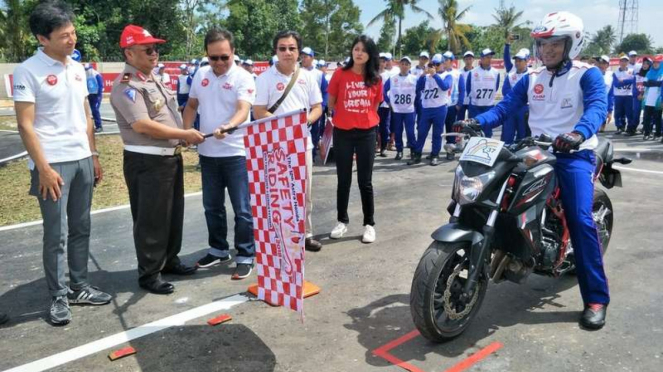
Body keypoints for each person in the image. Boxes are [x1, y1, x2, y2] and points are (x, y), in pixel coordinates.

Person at [456, 11, 610, 330]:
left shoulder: (587, 75)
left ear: (572, 44)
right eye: (542, 44)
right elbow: (504, 108)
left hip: (574, 154)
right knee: (488, 188)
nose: (547, 50)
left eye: (555, 43)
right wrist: (476, 122)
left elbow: (597, 107)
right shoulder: (531, 78)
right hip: (535, 149)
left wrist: (579, 133)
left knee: (581, 220)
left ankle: (596, 297)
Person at [13, 1, 111, 326]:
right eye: (64, 35)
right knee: (57, 234)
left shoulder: (77, 68)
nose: (72, 39)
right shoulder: (28, 71)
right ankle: (58, 297)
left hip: (82, 158)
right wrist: (42, 167)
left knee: (82, 227)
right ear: (43, 38)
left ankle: (79, 286)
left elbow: (85, 114)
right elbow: (25, 125)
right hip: (52, 164)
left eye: (73, 32)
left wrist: (93, 155)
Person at [110, 24, 203, 295]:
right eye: (147, 49)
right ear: (129, 54)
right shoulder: (127, 85)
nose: (154, 54)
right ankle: (149, 274)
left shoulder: (152, 79)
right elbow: (142, 125)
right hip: (147, 162)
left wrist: (181, 137)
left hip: (168, 158)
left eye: (156, 48)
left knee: (172, 215)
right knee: (151, 219)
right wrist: (183, 133)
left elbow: (167, 116)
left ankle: (169, 260)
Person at [182, 29, 257, 278]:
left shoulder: (244, 77)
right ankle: (218, 250)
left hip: (236, 152)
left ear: (233, 53)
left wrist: (229, 126)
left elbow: (243, 109)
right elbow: (191, 105)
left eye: (224, 57)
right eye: (214, 58)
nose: (220, 63)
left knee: (243, 209)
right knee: (211, 206)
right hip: (208, 152)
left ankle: (245, 254)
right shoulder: (201, 74)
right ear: (207, 55)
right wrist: (186, 130)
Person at [254, 30, 324, 252]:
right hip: (275, 147)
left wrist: (304, 123)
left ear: (299, 52)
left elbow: (317, 108)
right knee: (277, 195)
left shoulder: (308, 77)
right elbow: (258, 111)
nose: (287, 52)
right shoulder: (264, 78)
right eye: (282, 48)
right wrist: (283, 126)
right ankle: (279, 237)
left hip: (302, 144)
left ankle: (306, 234)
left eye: (291, 48)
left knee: (304, 193)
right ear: (276, 51)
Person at [327, 35, 382, 244]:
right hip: (343, 132)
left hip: (367, 133)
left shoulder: (375, 79)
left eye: (363, 50)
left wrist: (361, 118)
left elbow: (374, 107)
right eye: (356, 48)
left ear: (370, 55)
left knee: (365, 182)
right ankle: (342, 220)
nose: (358, 53)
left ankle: (369, 224)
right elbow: (331, 102)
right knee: (344, 180)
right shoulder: (340, 74)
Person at [408, 53, 452, 166]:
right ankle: (417, 154)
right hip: (426, 108)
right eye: (433, 64)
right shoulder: (426, 77)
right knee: (421, 132)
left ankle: (435, 155)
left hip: (440, 108)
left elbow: (445, 86)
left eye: (437, 64)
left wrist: (435, 75)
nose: (435, 66)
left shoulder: (447, 75)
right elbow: (418, 88)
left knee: (437, 134)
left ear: (443, 64)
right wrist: (423, 75)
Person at [384, 56, 418, 160]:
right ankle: (399, 150)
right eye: (402, 64)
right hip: (397, 110)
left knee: (410, 131)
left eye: (406, 64)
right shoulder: (393, 78)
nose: (404, 66)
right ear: (399, 65)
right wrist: (388, 102)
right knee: (398, 131)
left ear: (409, 66)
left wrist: (416, 104)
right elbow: (383, 90)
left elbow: (420, 92)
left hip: (409, 110)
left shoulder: (414, 79)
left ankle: (412, 150)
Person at [301, 47, 329, 163]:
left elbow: (325, 91)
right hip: (301, 109)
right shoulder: (297, 72)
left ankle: (311, 157)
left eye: (306, 56)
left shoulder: (318, 74)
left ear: (312, 58)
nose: (303, 58)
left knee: (315, 133)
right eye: (302, 56)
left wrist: (322, 107)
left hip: (315, 110)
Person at [501, 37, 531, 144]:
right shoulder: (510, 75)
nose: (517, 63)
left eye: (520, 60)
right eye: (516, 60)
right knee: (507, 134)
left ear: (527, 61)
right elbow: (505, 91)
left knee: (523, 135)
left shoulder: (532, 74)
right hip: (511, 107)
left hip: (525, 109)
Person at [465, 48, 500, 137]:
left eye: (490, 57)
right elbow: (468, 89)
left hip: (489, 107)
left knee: (487, 132)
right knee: (473, 131)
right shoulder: (472, 72)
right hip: (475, 107)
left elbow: (495, 88)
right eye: (487, 57)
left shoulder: (496, 73)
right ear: (481, 58)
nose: (489, 59)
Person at [442, 51, 464, 157]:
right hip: (440, 105)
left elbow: (462, 90)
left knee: (450, 128)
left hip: (452, 105)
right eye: (443, 59)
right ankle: (435, 150)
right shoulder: (439, 73)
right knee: (438, 128)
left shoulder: (457, 73)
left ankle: (450, 150)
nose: (444, 62)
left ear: (451, 61)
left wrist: (459, 104)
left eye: (446, 60)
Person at [627, 56, 652, 136]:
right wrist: (638, 94)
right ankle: (632, 128)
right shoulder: (637, 75)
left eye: (647, 64)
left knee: (647, 114)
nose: (645, 65)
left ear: (650, 65)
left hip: (647, 97)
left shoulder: (651, 75)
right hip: (637, 97)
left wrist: (643, 94)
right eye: (644, 63)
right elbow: (634, 86)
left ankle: (646, 128)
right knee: (636, 113)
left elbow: (649, 87)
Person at [377, 53, 395, 157]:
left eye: (383, 61)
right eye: (379, 61)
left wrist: (389, 102)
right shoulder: (373, 73)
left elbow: (391, 90)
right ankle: (376, 145)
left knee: (385, 127)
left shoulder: (389, 75)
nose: (381, 63)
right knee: (374, 127)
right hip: (374, 105)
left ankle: (383, 147)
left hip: (385, 105)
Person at [641, 55, 663, 141]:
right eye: (654, 62)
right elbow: (645, 83)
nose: (655, 64)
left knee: (658, 118)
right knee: (646, 117)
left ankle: (658, 134)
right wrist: (655, 82)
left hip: (658, 99)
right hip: (648, 99)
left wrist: (651, 82)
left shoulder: (662, 72)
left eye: (657, 62)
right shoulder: (649, 72)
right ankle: (647, 133)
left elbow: (660, 84)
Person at [612, 55, 635, 134]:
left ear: (628, 62)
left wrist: (623, 80)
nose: (623, 63)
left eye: (625, 61)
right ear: (619, 62)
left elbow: (633, 80)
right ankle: (619, 127)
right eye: (622, 61)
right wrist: (625, 81)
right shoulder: (615, 72)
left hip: (629, 95)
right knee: (618, 113)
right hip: (618, 95)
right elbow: (616, 84)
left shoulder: (631, 71)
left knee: (629, 112)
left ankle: (630, 128)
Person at [596, 55, 615, 132]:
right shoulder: (593, 73)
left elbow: (611, 94)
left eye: (604, 63)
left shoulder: (610, 76)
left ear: (607, 65)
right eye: (600, 63)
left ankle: (602, 125)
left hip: (604, 100)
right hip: (594, 99)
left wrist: (610, 111)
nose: (602, 65)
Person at [84, 63, 104, 133]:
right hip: (90, 94)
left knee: (95, 110)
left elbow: (100, 85)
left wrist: (99, 94)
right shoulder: (85, 75)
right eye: (86, 69)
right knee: (89, 111)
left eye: (87, 69)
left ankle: (99, 126)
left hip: (96, 95)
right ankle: (89, 126)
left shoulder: (96, 74)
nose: (87, 71)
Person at [457, 51, 475, 121]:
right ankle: (459, 132)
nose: (468, 61)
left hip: (472, 101)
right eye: (466, 59)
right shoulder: (459, 72)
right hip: (462, 101)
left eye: (470, 58)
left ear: (473, 59)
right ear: (464, 60)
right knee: (459, 121)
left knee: (472, 121)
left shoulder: (476, 72)